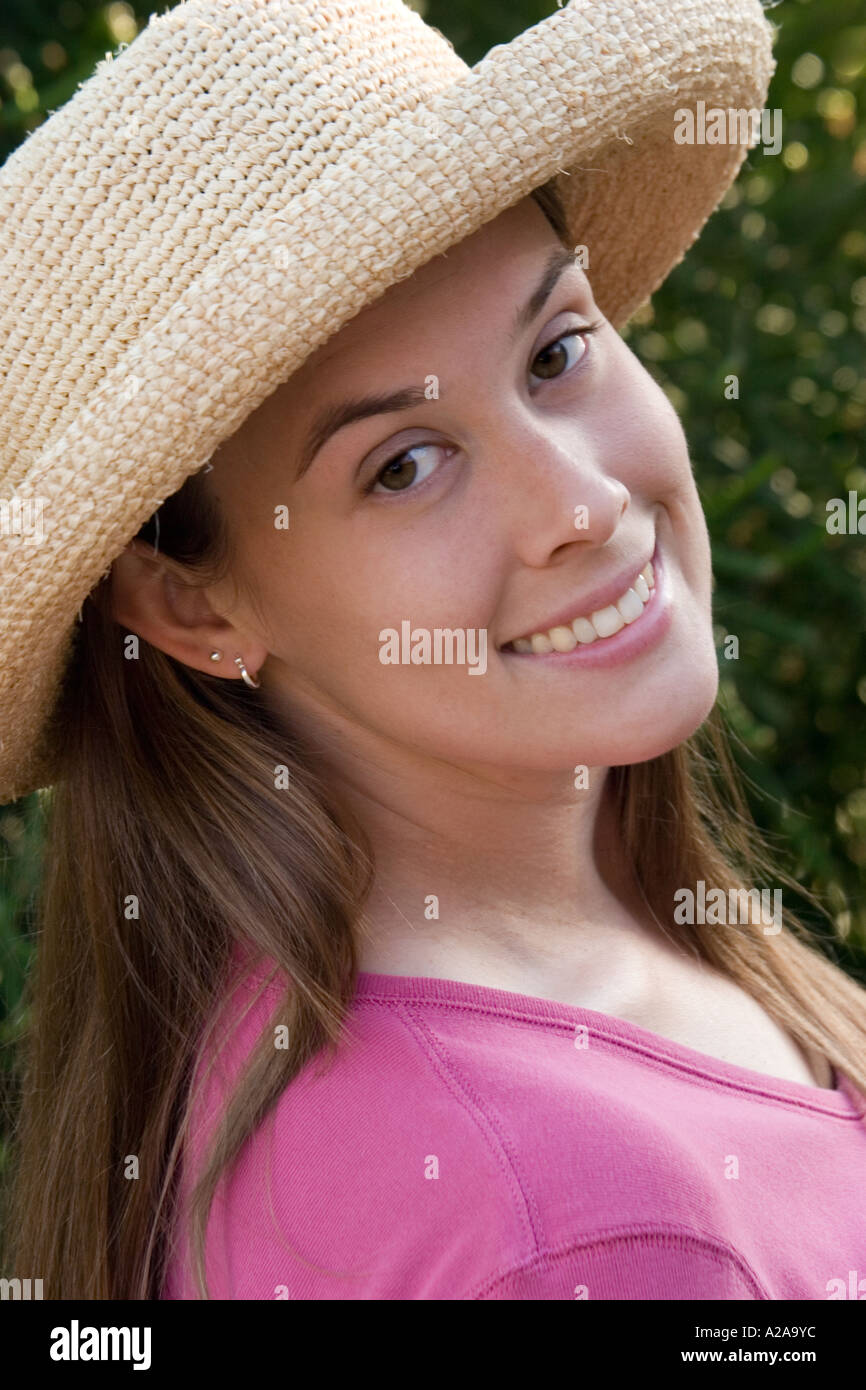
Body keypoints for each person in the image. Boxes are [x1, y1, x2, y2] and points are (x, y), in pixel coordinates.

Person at [2, 0, 864, 1301]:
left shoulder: (311, 1028)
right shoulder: (593, 1225)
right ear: (194, 609)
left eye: (556, 350)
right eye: (402, 465)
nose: (577, 502)